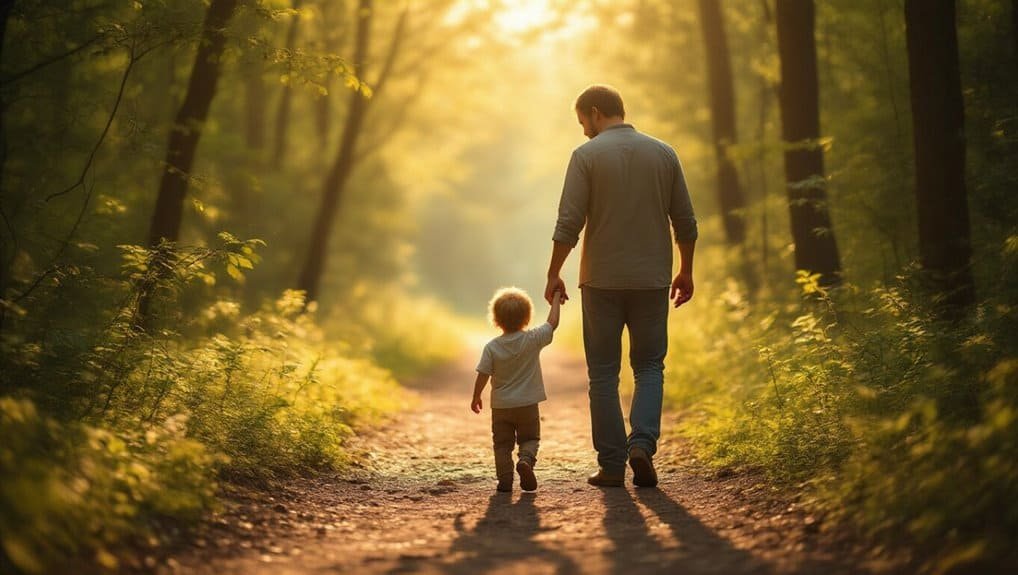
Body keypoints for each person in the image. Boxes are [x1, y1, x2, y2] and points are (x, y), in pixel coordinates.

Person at [544, 85, 698, 488]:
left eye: (582, 122)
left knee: (603, 374)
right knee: (649, 366)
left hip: (601, 281)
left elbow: (568, 223)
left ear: (595, 113)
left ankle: (612, 466)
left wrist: (553, 272)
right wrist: (686, 270)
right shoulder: (664, 154)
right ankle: (642, 445)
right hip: (652, 280)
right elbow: (685, 221)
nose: (583, 132)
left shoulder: (586, 157)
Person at [471, 287, 563, 492]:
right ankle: (526, 461)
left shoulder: (491, 347)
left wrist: (476, 395)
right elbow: (552, 323)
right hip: (528, 405)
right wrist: (556, 297)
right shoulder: (532, 339)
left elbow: (483, 374)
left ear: (495, 319)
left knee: (502, 444)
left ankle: (505, 479)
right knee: (530, 439)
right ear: (527, 317)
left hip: (501, 407)